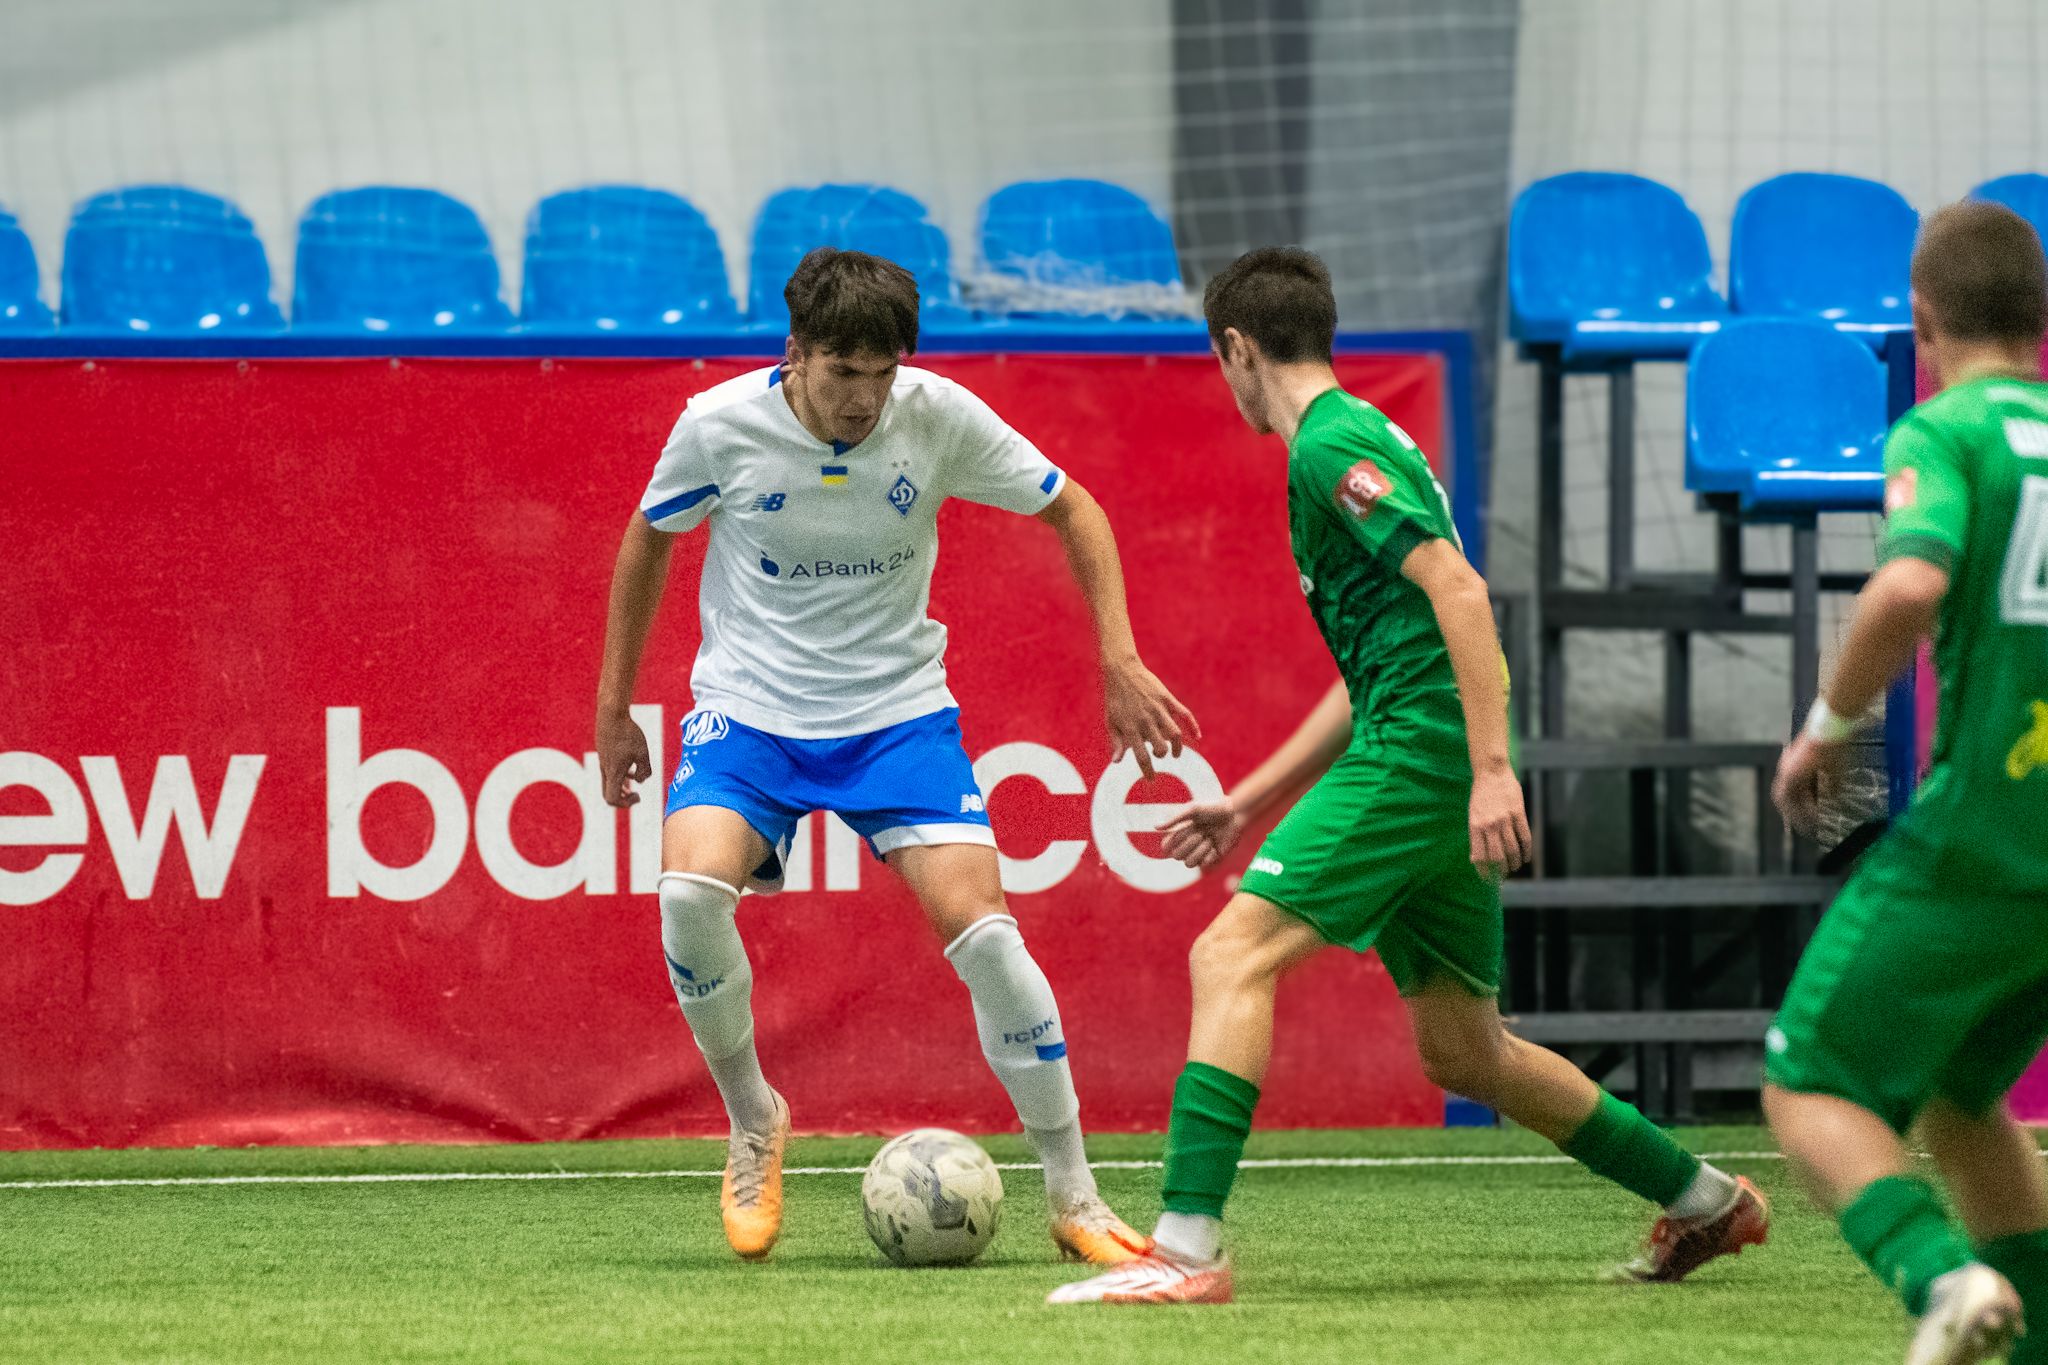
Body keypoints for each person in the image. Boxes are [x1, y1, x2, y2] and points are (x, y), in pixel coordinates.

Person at [1051, 246, 1764, 1306]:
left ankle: (1184, 1251)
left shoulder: (1328, 445)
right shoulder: (1357, 439)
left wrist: (1487, 772)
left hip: (1425, 753)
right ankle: (1706, 1199)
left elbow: (1462, 594)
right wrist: (1249, 800)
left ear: (1236, 350)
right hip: (1415, 739)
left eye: (1220, 363)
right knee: (1464, 1050)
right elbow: (1386, 654)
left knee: (1228, 954)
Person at [595, 247, 1195, 1264]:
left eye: (880, 376)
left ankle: (1074, 1195)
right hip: (750, 712)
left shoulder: (937, 416)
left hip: (897, 716)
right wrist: (614, 709)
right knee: (688, 894)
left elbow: (1073, 508)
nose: (863, 400)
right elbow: (646, 541)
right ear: (796, 354)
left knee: (990, 939)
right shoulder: (717, 426)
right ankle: (753, 1119)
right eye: (841, 374)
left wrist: (1118, 658)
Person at [1763, 200, 2048, 1365]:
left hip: (1980, 834)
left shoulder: (1944, 431)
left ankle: (1939, 1282)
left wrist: (1826, 728)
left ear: (1918, 321)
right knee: (1961, 1091)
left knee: (1807, 1083)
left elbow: (1905, 588)